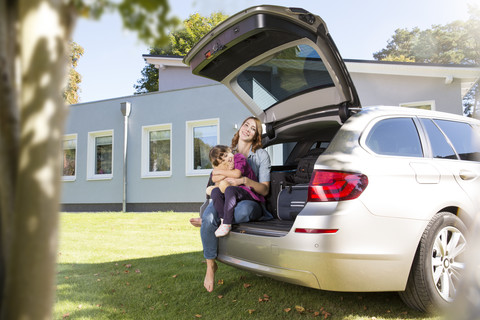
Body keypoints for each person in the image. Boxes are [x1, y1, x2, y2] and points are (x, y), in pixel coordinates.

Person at [195, 116, 271, 292]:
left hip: (249, 199)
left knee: (242, 211)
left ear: (256, 135)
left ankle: (214, 221)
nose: (248, 129)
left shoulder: (261, 155)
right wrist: (220, 181)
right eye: (246, 125)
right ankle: (210, 265)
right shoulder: (226, 153)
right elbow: (211, 185)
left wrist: (244, 180)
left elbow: (265, 190)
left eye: (253, 128)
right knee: (209, 214)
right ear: (240, 128)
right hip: (225, 196)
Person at [208, 145, 265, 237]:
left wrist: (220, 172)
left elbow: (237, 174)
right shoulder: (224, 166)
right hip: (234, 193)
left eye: (226, 155)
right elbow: (214, 178)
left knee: (230, 189)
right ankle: (223, 220)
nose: (227, 160)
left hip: (248, 191)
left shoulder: (238, 157)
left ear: (229, 150)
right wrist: (223, 172)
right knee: (215, 192)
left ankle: (227, 223)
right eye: (222, 161)